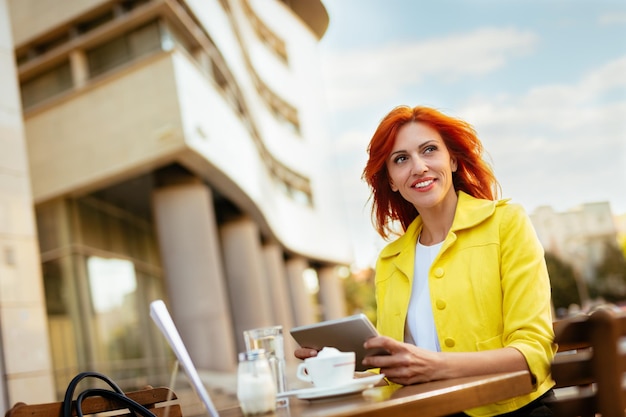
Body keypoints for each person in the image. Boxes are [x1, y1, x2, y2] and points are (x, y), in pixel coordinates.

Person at [295, 105, 556, 416]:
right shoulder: (390, 260)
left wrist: (433, 365)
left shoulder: (507, 223)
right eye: (401, 159)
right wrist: (338, 375)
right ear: (391, 180)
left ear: (453, 160)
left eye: (429, 150)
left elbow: (535, 352)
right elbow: (398, 376)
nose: (418, 167)